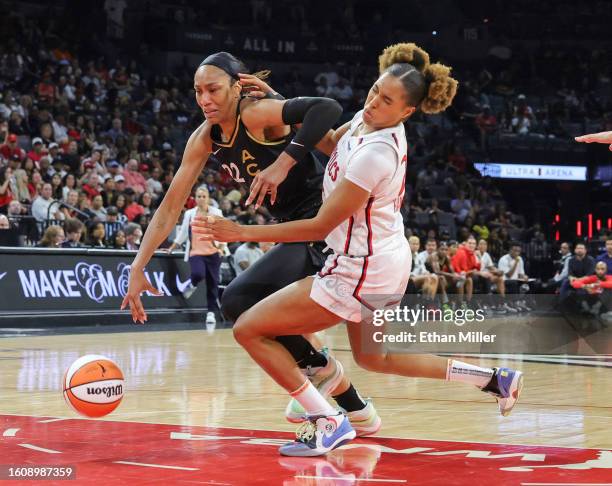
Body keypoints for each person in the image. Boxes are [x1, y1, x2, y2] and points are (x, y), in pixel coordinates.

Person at [191, 43, 523, 457]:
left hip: (361, 269)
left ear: (406, 112)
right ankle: (493, 380)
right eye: (373, 91)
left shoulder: (378, 155)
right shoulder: (365, 126)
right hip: (383, 256)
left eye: (386, 101)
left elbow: (319, 226)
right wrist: (278, 103)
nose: (372, 103)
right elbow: (330, 143)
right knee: (377, 359)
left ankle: (326, 421)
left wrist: (240, 232)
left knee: (248, 327)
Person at [121, 51, 377, 435]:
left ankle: (328, 396)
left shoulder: (256, 113)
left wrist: (283, 162)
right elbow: (169, 206)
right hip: (293, 230)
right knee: (244, 306)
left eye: (213, 89)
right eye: (197, 91)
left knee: (245, 308)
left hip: (326, 225)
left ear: (236, 86)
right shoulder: (205, 137)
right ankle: (353, 408)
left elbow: (326, 107)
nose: (204, 99)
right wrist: (137, 267)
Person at [167, 186, 224, 324]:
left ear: (208, 198)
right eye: (199, 196)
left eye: (204, 196)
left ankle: (210, 313)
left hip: (213, 252)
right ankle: (191, 284)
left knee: (213, 284)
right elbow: (183, 233)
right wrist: (172, 247)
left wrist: (221, 247)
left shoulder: (216, 212)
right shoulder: (190, 214)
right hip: (196, 252)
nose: (201, 199)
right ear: (195, 198)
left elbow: (222, 231)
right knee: (198, 274)